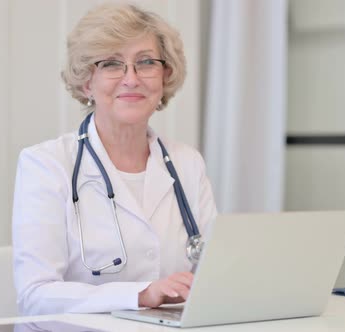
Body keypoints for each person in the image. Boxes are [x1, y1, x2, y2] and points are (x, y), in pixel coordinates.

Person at [12, 3, 217, 315]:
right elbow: (36, 295)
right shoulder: (46, 165)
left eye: (146, 62)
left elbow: (214, 274)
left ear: (165, 76)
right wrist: (141, 294)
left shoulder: (187, 163)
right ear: (86, 82)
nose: (131, 79)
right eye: (111, 64)